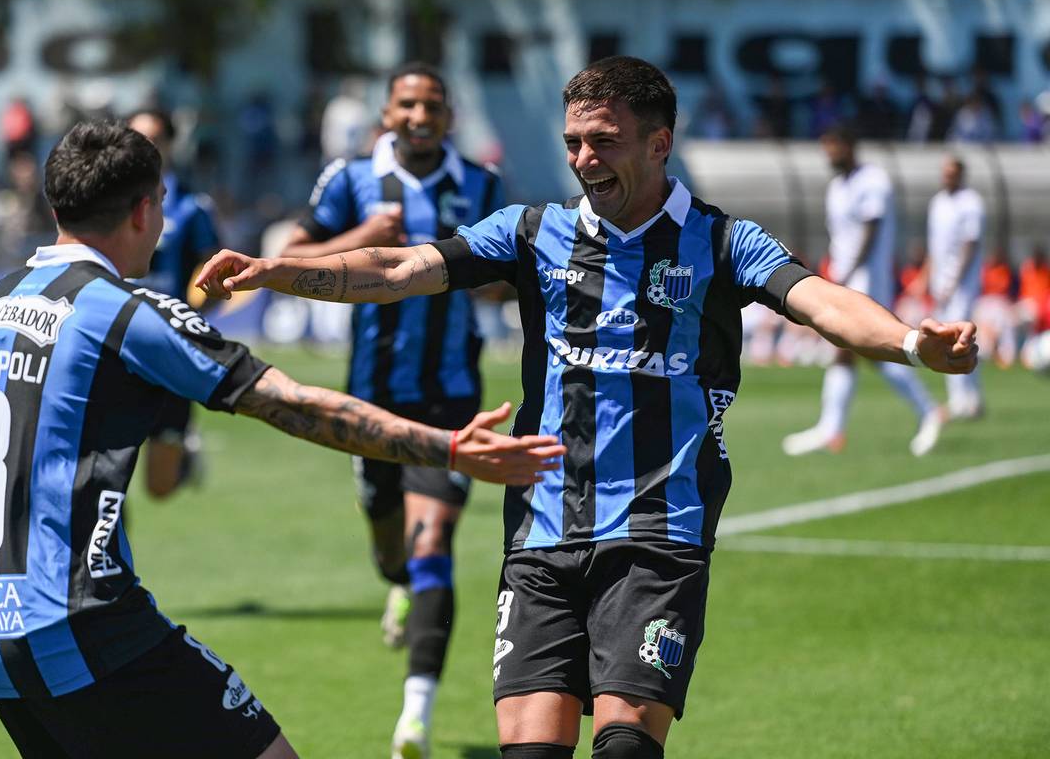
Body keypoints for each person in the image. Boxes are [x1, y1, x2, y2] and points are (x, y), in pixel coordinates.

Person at [195, 57, 978, 758]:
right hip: (540, 532)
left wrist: (913, 343)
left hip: (657, 535)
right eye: (573, 141)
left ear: (660, 144)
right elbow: (401, 267)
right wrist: (278, 270)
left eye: (603, 141)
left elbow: (821, 301)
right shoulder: (533, 232)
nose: (582, 160)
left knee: (626, 748)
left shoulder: (723, 240)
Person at [0, 121, 563, 758]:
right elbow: (291, 404)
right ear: (144, 209)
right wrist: (450, 448)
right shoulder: (121, 309)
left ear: (55, 208)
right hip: (85, 622)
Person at [280, 62, 504, 759]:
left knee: (433, 542)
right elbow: (290, 257)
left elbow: (504, 279)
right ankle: (400, 584)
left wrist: (493, 283)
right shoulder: (348, 179)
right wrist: (363, 235)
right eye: (407, 104)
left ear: (449, 116)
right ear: (387, 113)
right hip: (370, 398)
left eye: (432, 105)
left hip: (451, 401)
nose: (419, 116)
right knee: (392, 552)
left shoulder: (482, 186)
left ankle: (415, 717)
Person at [782, 124, 944, 457]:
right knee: (857, 352)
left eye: (832, 147)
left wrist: (851, 270)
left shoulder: (873, 181)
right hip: (846, 279)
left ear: (849, 145)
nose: (828, 154)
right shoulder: (837, 186)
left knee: (864, 348)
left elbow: (870, 229)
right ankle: (834, 426)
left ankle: (924, 411)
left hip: (869, 281)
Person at [127, 108, 222, 499]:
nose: (146, 146)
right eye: (136, 137)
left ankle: (183, 455)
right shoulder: (104, 202)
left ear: (168, 144)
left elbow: (212, 271)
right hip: (116, 343)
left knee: (159, 488)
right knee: (102, 479)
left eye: (154, 138)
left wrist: (199, 307)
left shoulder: (191, 206)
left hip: (170, 348)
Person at [914, 156, 985, 418]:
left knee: (955, 338)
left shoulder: (971, 203)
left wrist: (955, 281)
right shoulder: (938, 203)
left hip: (962, 284)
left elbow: (970, 244)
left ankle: (961, 399)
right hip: (940, 284)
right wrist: (926, 278)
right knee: (952, 337)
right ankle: (972, 398)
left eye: (952, 172)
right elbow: (935, 248)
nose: (947, 177)